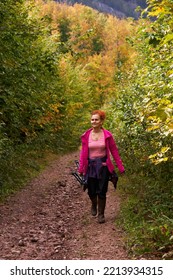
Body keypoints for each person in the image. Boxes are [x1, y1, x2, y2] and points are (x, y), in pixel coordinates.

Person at [78, 110, 125, 223]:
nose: (94, 121)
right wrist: (81, 168)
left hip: (103, 166)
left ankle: (101, 214)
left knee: (102, 190)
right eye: (92, 119)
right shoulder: (86, 135)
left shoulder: (107, 135)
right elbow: (83, 153)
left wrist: (120, 167)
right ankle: (94, 204)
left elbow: (114, 151)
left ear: (101, 121)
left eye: (96, 119)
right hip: (90, 167)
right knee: (91, 191)